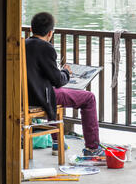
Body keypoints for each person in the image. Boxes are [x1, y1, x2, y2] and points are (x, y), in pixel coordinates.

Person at [25, 11, 103, 157]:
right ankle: (92, 148)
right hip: (41, 97)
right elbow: (58, 81)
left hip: (24, 98)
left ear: (31, 29)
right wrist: (66, 72)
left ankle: (56, 142)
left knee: (53, 93)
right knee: (88, 98)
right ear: (50, 33)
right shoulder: (46, 48)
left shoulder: (21, 45)